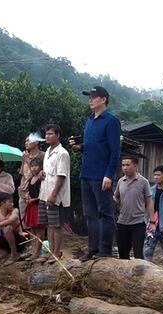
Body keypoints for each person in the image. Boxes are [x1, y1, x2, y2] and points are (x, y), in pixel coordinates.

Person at [70, 86, 121, 261]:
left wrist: (109, 174)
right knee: (89, 214)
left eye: (94, 97)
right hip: (86, 173)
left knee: (105, 213)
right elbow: (94, 147)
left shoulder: (111, 121)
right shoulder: (89, 121)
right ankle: (92, 248)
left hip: (101, 175)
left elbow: (115, 151)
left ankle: (105, 249)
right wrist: (80, 147)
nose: (90, 100)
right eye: (89, 97)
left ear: (104, 99)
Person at [39, 124, 70, 264]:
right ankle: (51, 253)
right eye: (46, 134)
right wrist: (40, 174)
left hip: (55, 196)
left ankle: (57, 253)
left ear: (57, 135)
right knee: (49, 225)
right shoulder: (47, 152)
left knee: (56, 226)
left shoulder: (62, 153)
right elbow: (48, 173)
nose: (47, 136)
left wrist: (53, 195)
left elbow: (61, 176)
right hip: (44, 192)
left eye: (50, 134)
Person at [114, 156, 155, 259]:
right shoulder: (120, 181)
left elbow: (149, 202)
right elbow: (116, 198)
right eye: (123, 165)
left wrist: (152, 222)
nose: (125, 168)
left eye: (128, 165)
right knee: (123, 254)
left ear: (135, 166)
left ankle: (140, 274)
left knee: (138, 254)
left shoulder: (143, 182)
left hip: (138, 223)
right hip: (122, 222)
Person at [22, 156, 45, 260]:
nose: (34, 168)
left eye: (36, 166)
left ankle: (38, 252)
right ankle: (33, 250)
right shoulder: (31, 178)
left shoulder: (41, 178)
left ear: (40, 167)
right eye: (32, 166)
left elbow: (42, 194)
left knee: (39, 229)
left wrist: (33, 199)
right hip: (31, 206)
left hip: (38, 205)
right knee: (33, 229)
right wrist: (27, 197)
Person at [19, 132, 46, 220]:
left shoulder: (43, 155)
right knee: (24, 222)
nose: (25, 143)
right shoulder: (25, 156)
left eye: (28, 140)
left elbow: (38, 175)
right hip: (23, 194)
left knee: (35, 222)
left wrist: (27, 161)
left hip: (35, 195)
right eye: (25, 141)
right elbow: (23, 175)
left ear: (37, 142)